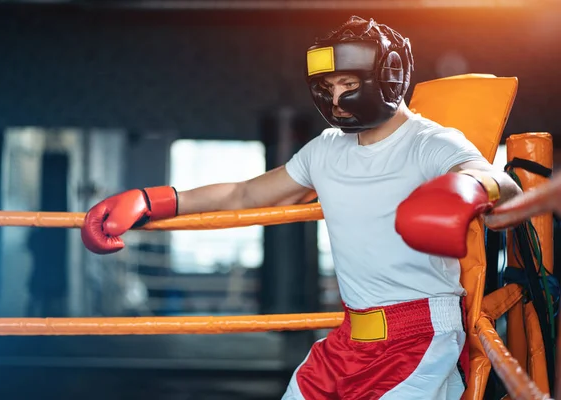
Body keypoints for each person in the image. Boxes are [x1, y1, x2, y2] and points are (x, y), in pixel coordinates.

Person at [80, 16, 522, 399]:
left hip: (420, 335)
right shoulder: (326, 149)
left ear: (388, 75)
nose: (335, 100)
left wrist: (463, 190)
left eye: (349, 85)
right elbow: (244, 194)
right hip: (349, 338)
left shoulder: (429, 142)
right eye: (327, 87)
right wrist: (153, 200)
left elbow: (502, 182)